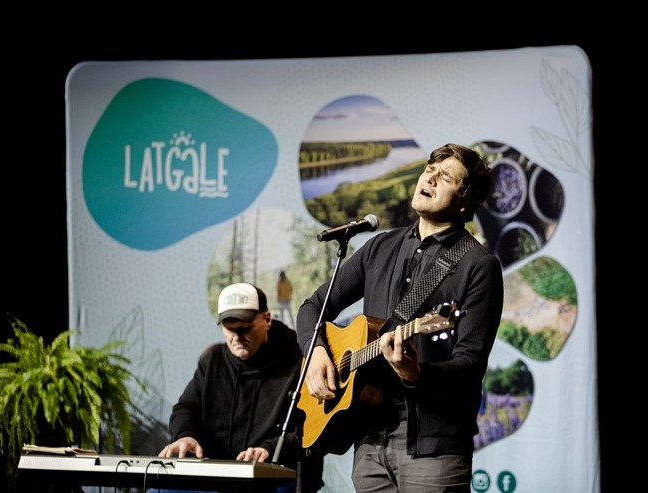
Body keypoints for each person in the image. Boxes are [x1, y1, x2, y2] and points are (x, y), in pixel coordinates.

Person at [297, 143, 504, 493]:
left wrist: (416, 375)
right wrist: (316, 352)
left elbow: (470, 363)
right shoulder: (380, 247)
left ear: (465, 201)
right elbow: (312, 308)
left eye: (446, 177)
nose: (430, 178)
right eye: (430, 169)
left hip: (434, 449)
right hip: (368, 440)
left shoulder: (478, 265)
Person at [155, 282, 324, 493]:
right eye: (229, 328)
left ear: (267, 319)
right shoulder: (212, 361)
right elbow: (186, 408)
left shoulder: (301, 358)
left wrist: (269, 448)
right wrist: (185, 435)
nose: (236, 337)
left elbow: (316, 426)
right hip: (216, 476)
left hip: (277, 476)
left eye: (244, 328)